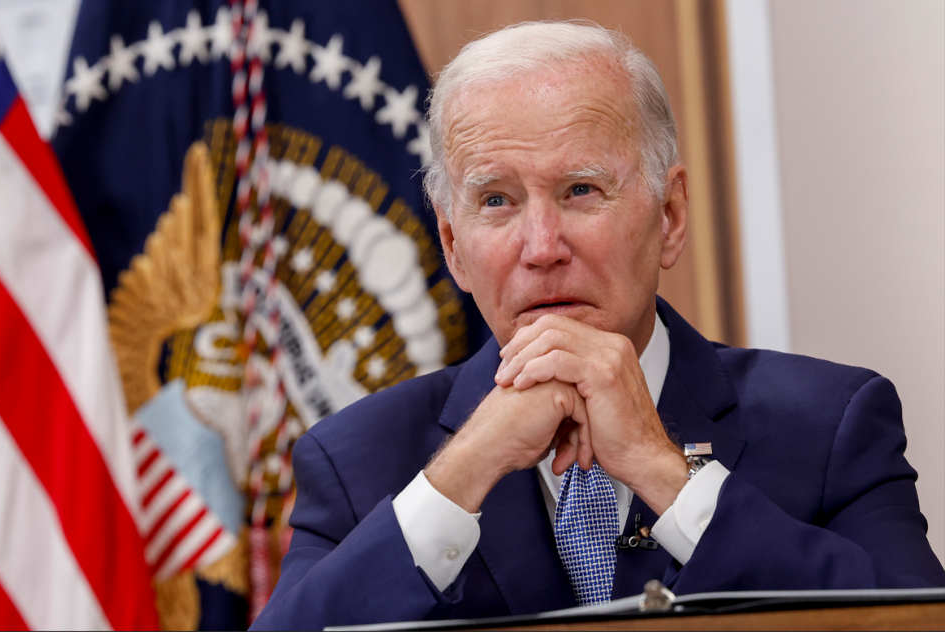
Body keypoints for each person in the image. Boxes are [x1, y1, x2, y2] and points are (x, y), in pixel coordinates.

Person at [252, 21, 945, 629]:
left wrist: (662, 470)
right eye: (497, 200)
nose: (542, 245)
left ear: (669, 217)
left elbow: (910, 623)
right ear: (453, 246)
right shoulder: (356, 461)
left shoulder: (833, 425)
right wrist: (465, 469)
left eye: (580, 190)